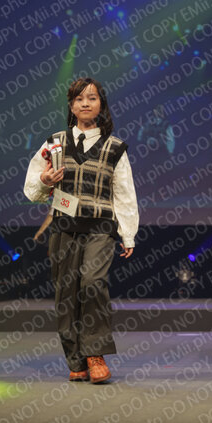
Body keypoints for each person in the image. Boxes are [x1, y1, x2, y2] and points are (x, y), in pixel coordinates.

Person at [24, 77, 138, 383]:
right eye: (79, 99)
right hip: (64, 228)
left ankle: (95, 354)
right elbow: (32, 186)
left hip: (100, 227)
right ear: (71, 106)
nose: (85, 103)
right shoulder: (55, 143)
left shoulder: (114, 148)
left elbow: (124, 194)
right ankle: (75, 359)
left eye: (92, 98)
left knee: (92, 283)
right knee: (66, 294)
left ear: (102, 104)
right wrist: (45, 181)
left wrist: (127, 234)